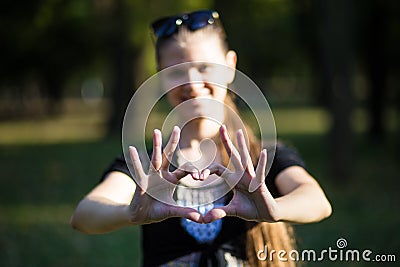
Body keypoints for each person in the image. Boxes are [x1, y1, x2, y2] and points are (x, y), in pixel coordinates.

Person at [70, 10, 332, 267]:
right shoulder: (149, 166)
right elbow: (85, 215)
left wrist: (274, 209)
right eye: (175, 72)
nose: (192, 84)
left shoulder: (259, 157)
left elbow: (316, 201)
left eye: (205, 67)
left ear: (230, 66)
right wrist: (129, 213)